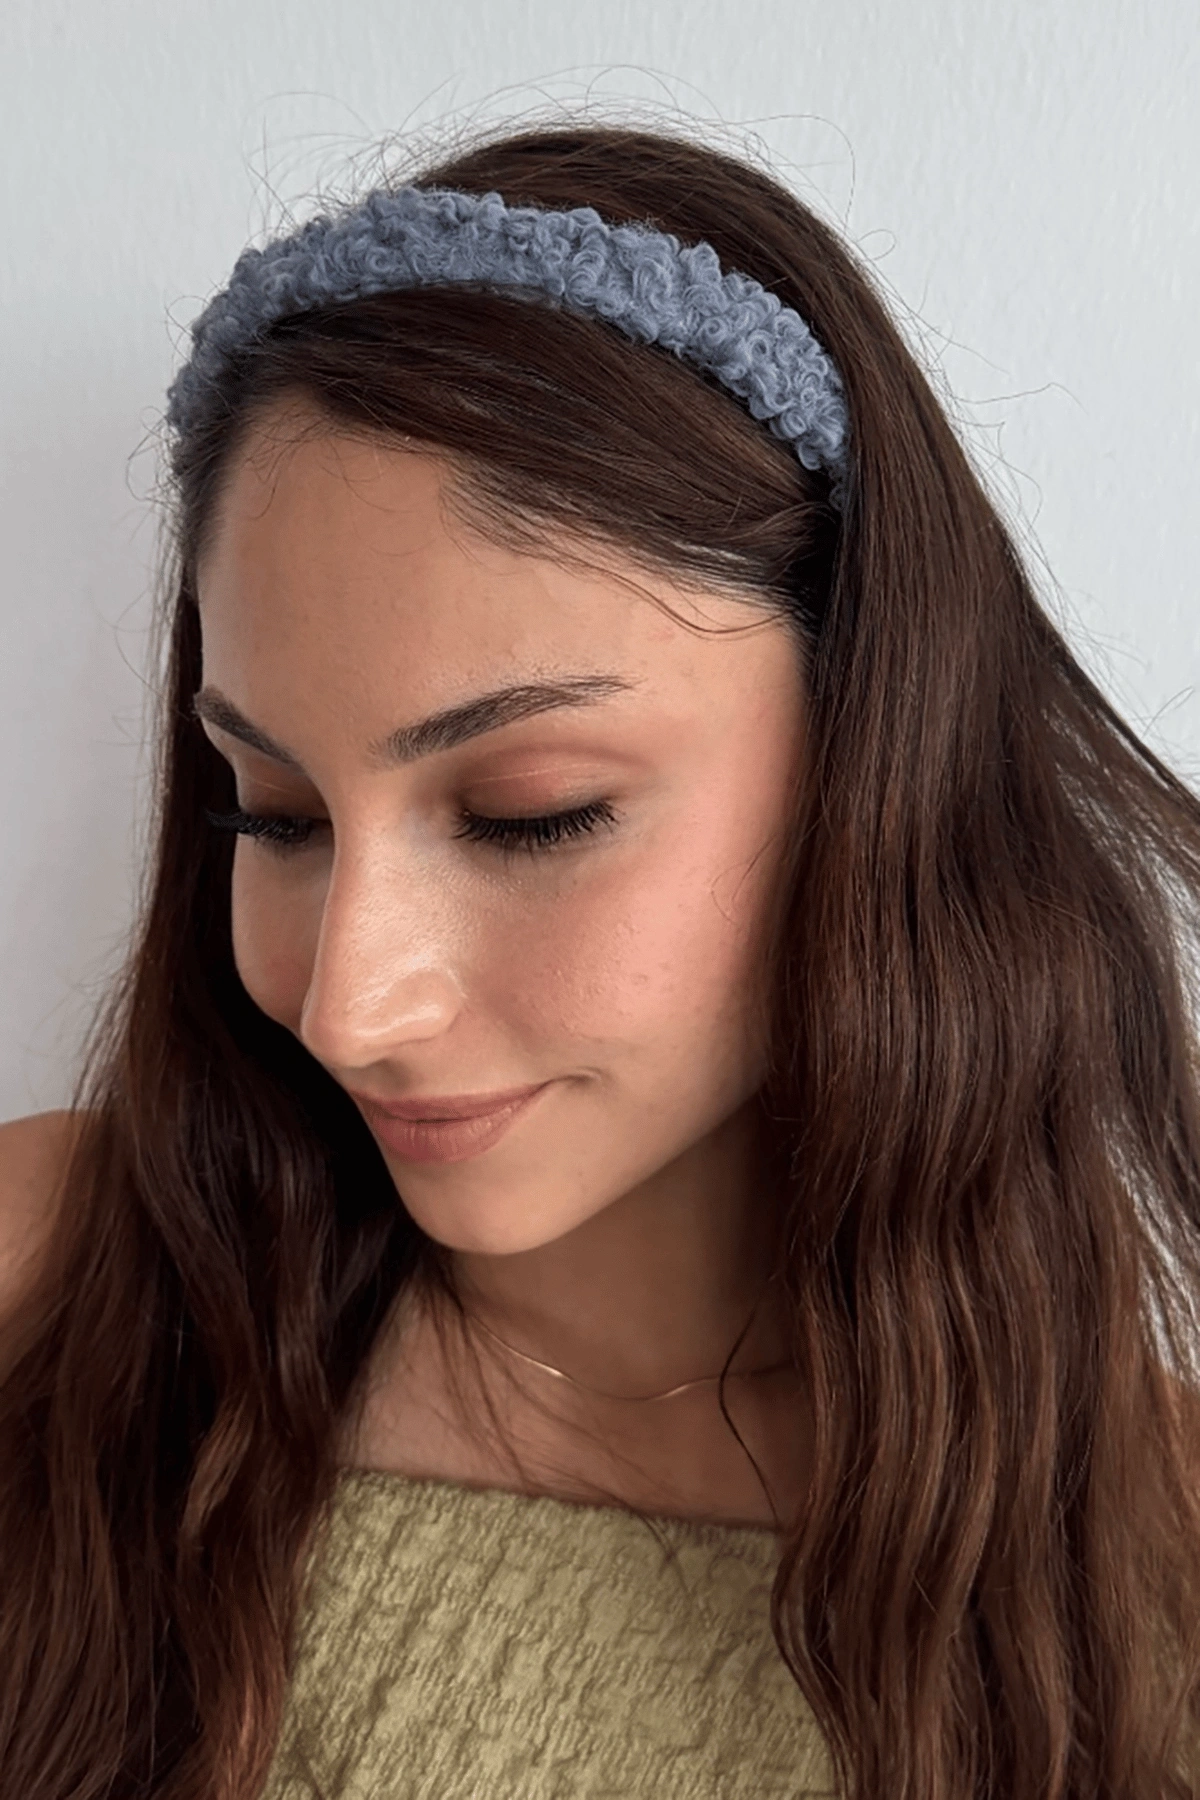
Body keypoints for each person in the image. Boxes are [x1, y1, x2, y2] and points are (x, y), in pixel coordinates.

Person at [2, 119, 1200, 1800]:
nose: (351, 1004)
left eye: (530, 815)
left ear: (876, 760)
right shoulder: (49, 1288)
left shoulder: (1140, 1555)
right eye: (276, 814)